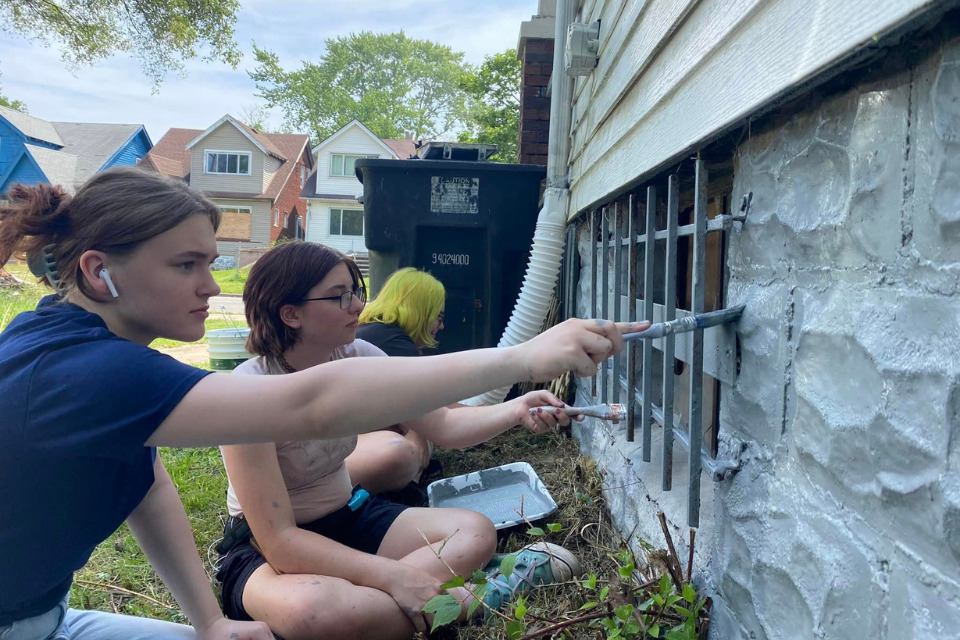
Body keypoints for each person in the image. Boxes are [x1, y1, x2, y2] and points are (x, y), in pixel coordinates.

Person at [0, 167, 645, 639]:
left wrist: (209, 625)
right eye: (186, 265)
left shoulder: (56, 343)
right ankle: (455, 601)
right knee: (318, 613)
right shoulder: (88, 371)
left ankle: (410, 600)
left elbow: (146, 479)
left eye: (211, 261)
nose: (208, 284)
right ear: (97, 271)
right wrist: (524, 356)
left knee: (448, 541)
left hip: (47, 614)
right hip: (50, 612)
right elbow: (312, 406)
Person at [217, 242, 587, 639]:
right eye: (339, 296)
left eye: (356, 292)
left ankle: (374, 609)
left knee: (475, 531)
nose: (357, 305)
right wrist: (393, 577)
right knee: (313, 613)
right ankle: (475, 596)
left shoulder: (358, 356)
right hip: (267, 549)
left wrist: (516, 411)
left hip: (350, 517)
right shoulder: (248, 395)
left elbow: (444, 424)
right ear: (290, 314)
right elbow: (281, 541)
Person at [353, 267, 445, 496]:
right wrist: (419, 433)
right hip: (350, 450)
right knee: (408, 447)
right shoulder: (392, 340)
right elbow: (426, 403)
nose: (441, 326)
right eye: (438, 317)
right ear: (420, 310)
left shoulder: (375, 331)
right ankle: (403, 487)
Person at [356, 267, 445, 357]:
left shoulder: (372, 330)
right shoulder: (397, 346)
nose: (441, 326)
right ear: (420, 313)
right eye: (439, 317)